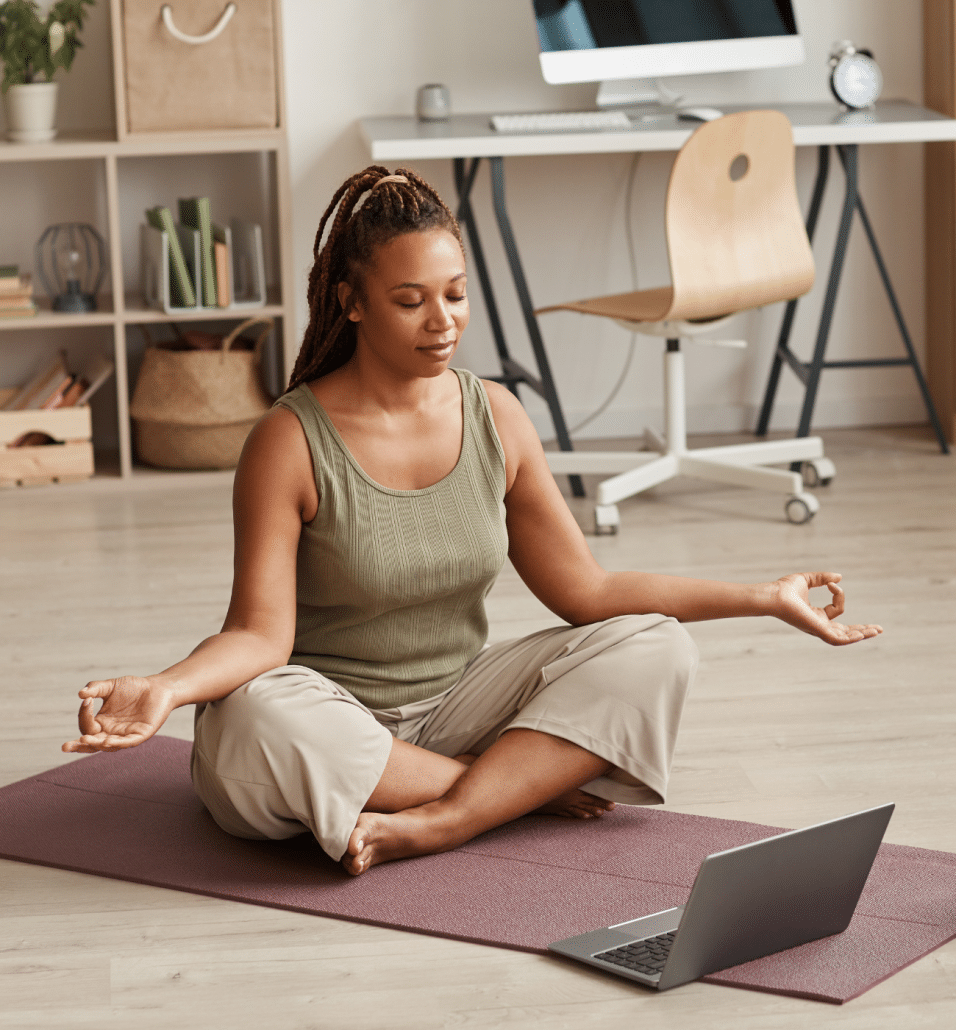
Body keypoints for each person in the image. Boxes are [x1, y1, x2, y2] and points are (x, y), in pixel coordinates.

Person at [63, 166, 882, 876]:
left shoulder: (496, 415)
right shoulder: (289, 439)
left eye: (455, 296)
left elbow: (588, 590)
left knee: (656, 642)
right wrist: (165, 688)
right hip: (327, 710)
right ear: (350, 302)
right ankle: (508, 788)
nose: (442, 321)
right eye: (410, 301)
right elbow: (259, 638)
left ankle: (447, 818)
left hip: (457, 697)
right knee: (249, 721)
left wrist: (764, 597)